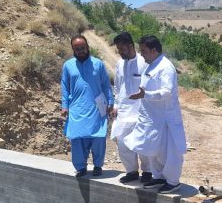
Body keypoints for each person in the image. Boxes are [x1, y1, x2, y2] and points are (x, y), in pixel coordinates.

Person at [123, 35, 187, 194]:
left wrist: (145, 95)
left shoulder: (166, 67)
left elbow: (167, 92)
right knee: (153, 150)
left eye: (144, 51)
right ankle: (158, 177)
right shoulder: (150, 65)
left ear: (154, 50)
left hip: (165, 119)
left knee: (169, 152)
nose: (141, 54)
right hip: (152, 119)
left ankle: (172, 181)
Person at [60, 35, 113, 177]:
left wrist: (110, 102)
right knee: (77, 139)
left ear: (87, 47)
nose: (80, 51)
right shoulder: (68, 66)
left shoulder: (98, 64)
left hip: (96, 108)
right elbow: (64, 87)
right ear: (73, 49)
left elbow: (106, 85)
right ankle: (80, 167)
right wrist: (64, 106)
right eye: (77, 49)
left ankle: (97, 166)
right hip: (77, 108)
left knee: (98, 138)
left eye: (82, 48)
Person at [110, 32, 151, 184]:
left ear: (131, 46)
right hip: (123, 111)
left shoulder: (143, 62)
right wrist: (115, 105)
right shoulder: (120, 63)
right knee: (123, 143)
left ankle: (148, 172)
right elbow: (118, 86)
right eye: (118, 49)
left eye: (123, 49)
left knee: (142, 142)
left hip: (141, 112)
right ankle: (132, 171)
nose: (120, 52)